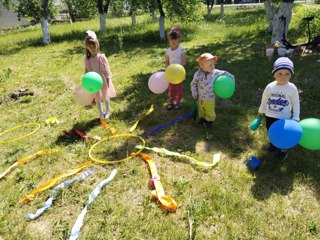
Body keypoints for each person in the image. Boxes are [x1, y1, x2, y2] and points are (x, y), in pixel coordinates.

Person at [258, 57, 300, 159]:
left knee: (283, 134)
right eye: (280, 73)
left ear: (291, 75)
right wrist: (261, 111)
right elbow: (264, 99)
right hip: (270, 115)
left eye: (287, 74)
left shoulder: (292, 88)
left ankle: (282, 149)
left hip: (284, 118)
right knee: (271, 131)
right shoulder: (270, 87)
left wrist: (295, 117)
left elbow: (296, 103)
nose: (283, 77)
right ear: (274, 74)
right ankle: (273, 144)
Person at [191, 53, 235, 128]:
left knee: (209, 110)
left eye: (213, 64)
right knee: (201, 110)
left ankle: (209, 120)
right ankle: (202, 118)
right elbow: (193, 84)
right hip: (200, 97)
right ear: (202, 66)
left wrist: (231, 77)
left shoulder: (215, 72)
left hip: (210, 98)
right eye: (210, 65)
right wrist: (194, 92)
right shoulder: (197, 74)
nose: (213, 66)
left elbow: (224, 73)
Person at [84, 30, 116, 119]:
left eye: (94, 46)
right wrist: (86, 80)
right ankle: (101, 112)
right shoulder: (87, 59)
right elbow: (86, 70)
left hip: (103, 78)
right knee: (97, 96)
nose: (93, 49)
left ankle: (107, 111)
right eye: (90, 47)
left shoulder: (101, 57)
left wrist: (108, 78)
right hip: (94, 80)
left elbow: (107, 68)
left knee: (106, 95)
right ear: (87, 48)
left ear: (97, 45)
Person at [165, 26, 187, 110]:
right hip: (171, 74)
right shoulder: (168, 51)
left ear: (179, 39)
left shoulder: (182, 50)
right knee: (171, 89)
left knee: (178, 89)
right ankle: (170, 102)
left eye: (175, 39)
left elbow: (184, 61)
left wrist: (179, 68)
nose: (173, 41)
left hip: (179, 73)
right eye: (171, 39)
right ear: (169, 40)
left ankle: (178, 102)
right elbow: (167, 62)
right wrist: (168, 68)